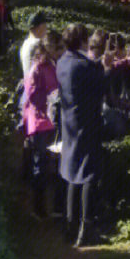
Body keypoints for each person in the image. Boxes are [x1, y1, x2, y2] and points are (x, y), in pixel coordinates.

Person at [56, 23, 107, 247]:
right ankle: (86, 228)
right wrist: (106, 67)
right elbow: (101, 86)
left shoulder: (63, 62)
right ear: (83, 41)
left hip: (69, 123)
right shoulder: (83, 66)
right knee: (88, 174)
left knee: (71, 172)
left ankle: (70, 224)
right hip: (86, 126)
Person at [20, 37, 60, 217]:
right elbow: (33, 95)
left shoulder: (52, 66)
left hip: (48, 119)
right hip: (39, 120)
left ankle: (42, 204)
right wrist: (50, 100)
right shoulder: (37, 69)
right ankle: (38, 205)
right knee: (40, 163)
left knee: (45, 161)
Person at [20, 11, 48, 78]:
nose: (47, 28)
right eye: (45, 25)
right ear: (40, 26)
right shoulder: (38, 44)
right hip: (39, 86)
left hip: (29, 85)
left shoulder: (25, 44)